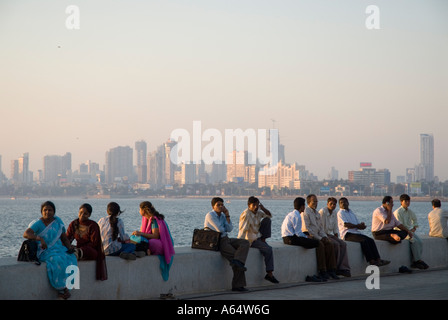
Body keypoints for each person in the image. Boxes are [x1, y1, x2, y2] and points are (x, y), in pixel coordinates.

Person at [23, 201, 78, 299]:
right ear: (41, 212)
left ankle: (67, 288)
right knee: (57, 260)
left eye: (50, 210)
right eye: (45, 210)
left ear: (54, 211)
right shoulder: (38, 223)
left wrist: (69, 248)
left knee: (72, 258)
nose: (47, 212)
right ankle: (61, 288)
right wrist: (39, 238)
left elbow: (64, 238)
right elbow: (26, 234)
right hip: (45, 251)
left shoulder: (58, 222)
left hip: (59, 248)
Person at [204, 197, 250, 292]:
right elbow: (220, 229)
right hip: (218, 241)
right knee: (236, 258)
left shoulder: (223, 215)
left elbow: (229, 229)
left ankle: (238, 264)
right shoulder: (210, 215)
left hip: (226, 238)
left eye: (222, 205)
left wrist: (227, 215)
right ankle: (237, 286)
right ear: (213, 206)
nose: (221, 207)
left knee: (245, 242)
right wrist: (224, 227)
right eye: (218, 205)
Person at [281, 197, 328, 282]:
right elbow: (298, 234)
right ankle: (322, 270)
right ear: (302, 206)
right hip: (290, 239)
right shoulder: (297, 216)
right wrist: (307, 237)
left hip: (286, 237)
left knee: (310, 240)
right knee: (318, 243)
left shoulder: (292, 214)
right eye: (304, 206)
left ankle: (323, 270)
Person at [337, 197, 390, 267]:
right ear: (339, 205)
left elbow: (357, 224)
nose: (343, 204)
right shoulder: (340, 213)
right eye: (341, 203)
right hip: (347, 234)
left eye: (345, 202)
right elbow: (346, 224)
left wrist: (361, 225)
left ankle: (378, 259)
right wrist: (357, 226)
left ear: (348, 203)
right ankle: (372, 261)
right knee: (364, 241)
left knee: (370, 240)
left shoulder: (351, 212)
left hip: (356, 233)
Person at [238, 196, 279, 284]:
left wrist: (263, 208)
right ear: (249, 205)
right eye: (253, 205)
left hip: (258, 237)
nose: (256, 207)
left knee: (267, 220)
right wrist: (240, 243)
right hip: (251, 240)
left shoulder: (258, 212)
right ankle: (270, 274)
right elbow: (242, 230)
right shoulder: (246, 215)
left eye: (257, 205)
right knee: (268, 249)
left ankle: (263, 240)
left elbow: (269, 215)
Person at [132, 201, 175, 281]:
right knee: (133, 238)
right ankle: (144, 250)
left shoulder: (154, 220)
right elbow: (143, 234)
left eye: (139, 209)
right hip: (150, 240)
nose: (139, 211)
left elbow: (155, 236)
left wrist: (140, 233)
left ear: (143, 211)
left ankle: (145, 250)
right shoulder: (146, 219)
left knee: (152, 243)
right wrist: (138, 234)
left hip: (161, 244)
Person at [66, 203, 108, 280]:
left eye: (85, 214)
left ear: (89, 215)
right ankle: (74, 253)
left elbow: (94, 243)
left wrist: (82, 249)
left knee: (90, 251)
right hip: (78, 249)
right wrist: (68, 246)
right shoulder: (73, 224)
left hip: (90, 250)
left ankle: (76, 253)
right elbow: (67, 239)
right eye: (80, 213)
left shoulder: (93, 225)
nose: (82, 215)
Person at [302, 194, 339, 280]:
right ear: (308, 202)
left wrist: (324, 236)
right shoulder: (306, 212)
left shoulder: (317, 213)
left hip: (319, 235)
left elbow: (321, 228)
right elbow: (307, 229)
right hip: (311, 236)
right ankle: (322, 270)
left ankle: (332, 269)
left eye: (316, 201)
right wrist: (319, 238)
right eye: (314, 201)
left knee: (329, 244)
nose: (316, 203)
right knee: (320, 245)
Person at [394, 194, 429, 269]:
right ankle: (417, 261)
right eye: (405, 201)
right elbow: (399, 225)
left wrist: (414, 227)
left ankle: (418, 260)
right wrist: (408, 231)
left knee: (420, 241)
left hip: (409, 231)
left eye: (408, 201)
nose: (407, 203)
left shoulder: (409, 211)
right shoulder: (398, 212)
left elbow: (415, 219)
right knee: (414, 241)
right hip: (401, 232)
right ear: (401, 202)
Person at [319, 197, 351, 277]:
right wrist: (325, 237)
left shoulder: (334, 212)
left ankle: (343, 267)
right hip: (322, 234)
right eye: (331, 204)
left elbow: (335, 227)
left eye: (334, 204)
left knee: (343, 244)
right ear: (327, 204)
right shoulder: (323, 212)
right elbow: (320, 227)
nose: (333, 206)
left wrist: (336, 235)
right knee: (335, 245)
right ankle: (334, 268)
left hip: (329, 234)